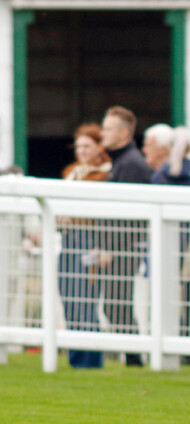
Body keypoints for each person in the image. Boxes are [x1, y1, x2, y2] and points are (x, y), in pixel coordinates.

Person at [100, 106, 152, 366]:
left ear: (124, 132)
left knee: (116, 303)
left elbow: (128, 216)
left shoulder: (131, 163)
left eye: (108, 128)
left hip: (124, 246)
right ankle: (131, 356)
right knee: (114, 303)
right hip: (119, 245)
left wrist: (110, 247)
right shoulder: (122, 161)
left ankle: (133, 357)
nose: (102, 133)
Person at [58, 123, 111, 368]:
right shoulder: (72, 172)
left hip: (89, 240)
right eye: (78, 146)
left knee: (86, 301)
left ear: (99, 147)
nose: (81, 151)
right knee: (68, 299)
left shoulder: (104, 175)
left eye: (87, 146)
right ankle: (75, 360)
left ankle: (91, 361)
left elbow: (98, 212)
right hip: (68, 240)